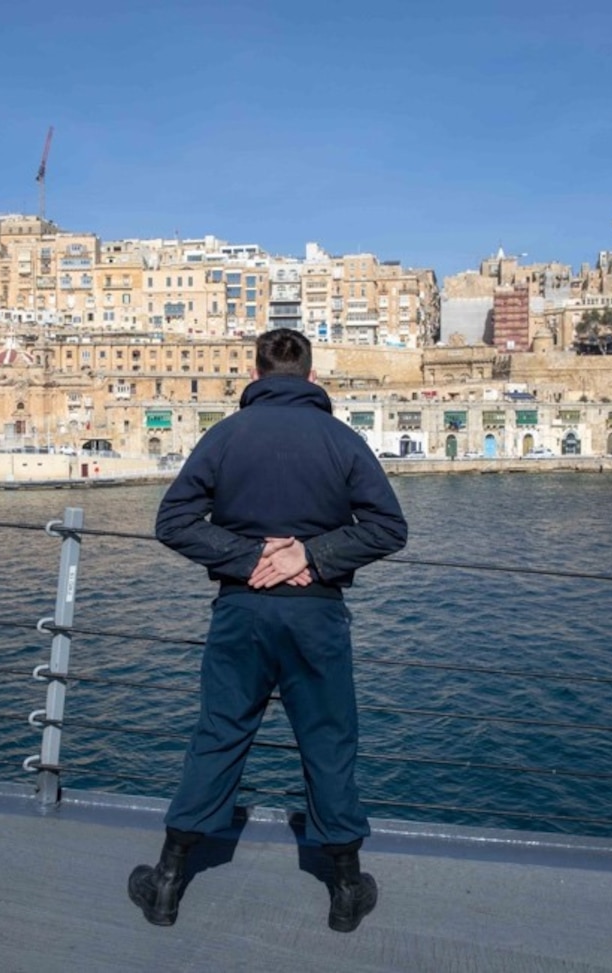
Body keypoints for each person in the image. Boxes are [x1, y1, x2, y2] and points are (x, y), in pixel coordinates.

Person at [129, 328, 408, 933]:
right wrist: (308, 555)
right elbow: (388, 527)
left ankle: (168, 882)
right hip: (317, 614)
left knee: (219, 736)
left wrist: (246, 557)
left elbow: (173, 521)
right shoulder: (342, 439)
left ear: (254, 376)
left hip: (241, 610)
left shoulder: (225, 435)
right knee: (329, 742)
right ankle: (344, 891)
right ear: (311, 377)